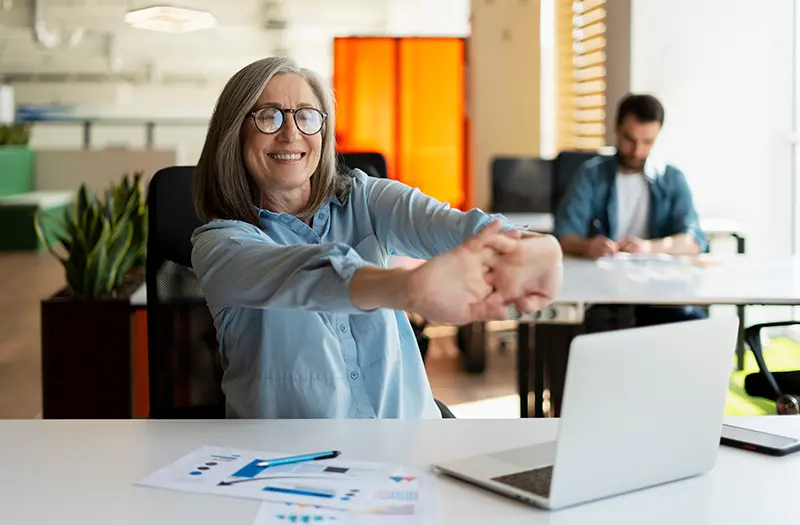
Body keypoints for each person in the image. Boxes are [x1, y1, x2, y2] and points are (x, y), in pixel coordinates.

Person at [190, 56, 564, 419]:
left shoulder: (364, 198)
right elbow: (307, 274)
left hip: (412, 448)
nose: (291, 133)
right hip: (295, 469)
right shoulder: (219, 246)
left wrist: (532, 247)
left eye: (307, 116)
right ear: (234, 134)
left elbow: (450, 225)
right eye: (268, 116)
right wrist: (410, 288)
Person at [553, 93, 706, 326]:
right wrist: (587, 246)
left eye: (647, 142)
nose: (637, 151)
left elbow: (694, 241)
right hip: (604, 289)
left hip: (660, 289)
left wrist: (646, 248)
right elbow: (563, 235)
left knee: (692, 322)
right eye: (630, 139)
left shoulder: (672, 178)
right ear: (616, 128)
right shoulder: (591, 175)